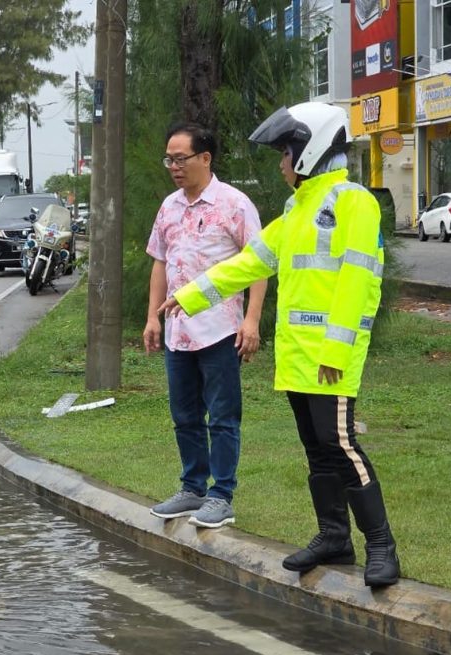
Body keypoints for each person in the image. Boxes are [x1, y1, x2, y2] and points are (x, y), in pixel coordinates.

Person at [159, 102, 400, 587]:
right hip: (297, 358)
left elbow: (358, 282)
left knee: (342, 444)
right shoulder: (298, 209)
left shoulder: (351, 201)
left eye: (285, 153)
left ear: (308, 151)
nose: (281, 163)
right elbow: (249, 263)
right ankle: (334, 537)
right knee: (317, 449)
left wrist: (335, 349)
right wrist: (187, 295)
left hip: (332, 357)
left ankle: (382, 546)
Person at [144, 122, 267, 529]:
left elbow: (260, 264)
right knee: (185, 416)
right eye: (169, 160)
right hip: (178, 335)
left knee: (223, 416)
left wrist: (251, 321)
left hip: (220, 330)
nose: (174, 167)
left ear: (205, 158)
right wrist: (152, 318)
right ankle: (193, 487)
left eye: (181, 159)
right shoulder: (169, 207)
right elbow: (160, 261)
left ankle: (221, 495)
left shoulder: (234, 204)